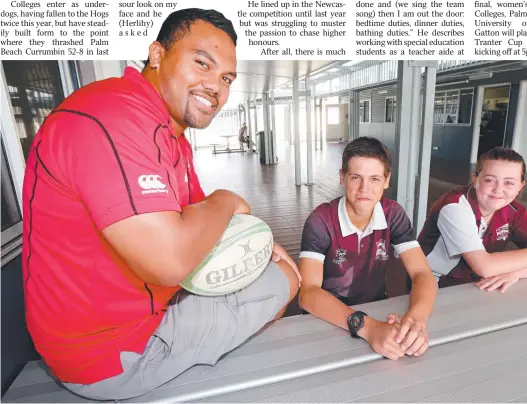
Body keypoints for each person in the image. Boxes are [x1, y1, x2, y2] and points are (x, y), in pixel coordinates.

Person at [21, 8, 300, 401]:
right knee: (286, 279)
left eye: (225, 78)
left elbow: (198, 214)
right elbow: (170, 260)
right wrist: (226, 199)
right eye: (201, 63)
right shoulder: (111, 118)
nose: (215, 86)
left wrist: (251, 237)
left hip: (139, 313)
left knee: (264, 260)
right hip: (109, 356)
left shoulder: (168, 135)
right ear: (157, 54)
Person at [298, 137, 437, 361]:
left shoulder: (393, 214)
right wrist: (370, 329)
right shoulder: (321, 220)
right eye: (356, 178)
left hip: (376, 309)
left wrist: (415, 320)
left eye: (374, 179)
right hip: (326, 316)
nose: (365, 189)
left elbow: (421, 273)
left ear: (386, 180)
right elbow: (308, 294)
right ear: (342, 177)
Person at [418, 146, 527, 292]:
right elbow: (485, 267)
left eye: (509, 183)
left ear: (521, 186)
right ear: (475, 179)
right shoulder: (454, 206)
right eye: (490, 180)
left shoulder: (514, 212)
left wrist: (517, 273)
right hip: (432, 285)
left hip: (480, 285)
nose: (498, 189)